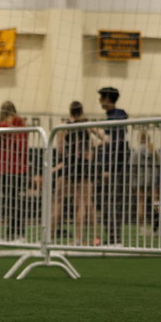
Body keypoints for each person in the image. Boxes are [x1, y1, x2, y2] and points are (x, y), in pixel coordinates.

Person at [62, 102, 108, 245]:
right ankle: (95, 237)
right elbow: (105, 139)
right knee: (88, 202)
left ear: (70, 111)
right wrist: (93, 148)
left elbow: (61, 149)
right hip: (85, 165)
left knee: (81, 203)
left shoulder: (66, 126)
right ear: (82, 110)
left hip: (72, 165)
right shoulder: (87, 124)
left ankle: (78, 238)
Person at [0, 100, 28, 240]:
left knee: (14, 201)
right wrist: (7, 126)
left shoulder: (19, 123)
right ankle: (12, 232)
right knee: (11, 201)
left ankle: (17, 232)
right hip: (7, 168)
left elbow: (21, 144)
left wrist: (10, 127)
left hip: (16, 168)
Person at [97, 86, 129, 246]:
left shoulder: (115, 118)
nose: (99, 101)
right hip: (114, 168)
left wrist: (109, 168)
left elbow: (115, 145)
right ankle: (112, 238)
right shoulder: (114, 117)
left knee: (111, 204)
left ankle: (114, 239)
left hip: (114, 169)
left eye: (101, 98)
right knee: (108, 204)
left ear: (107, 99)